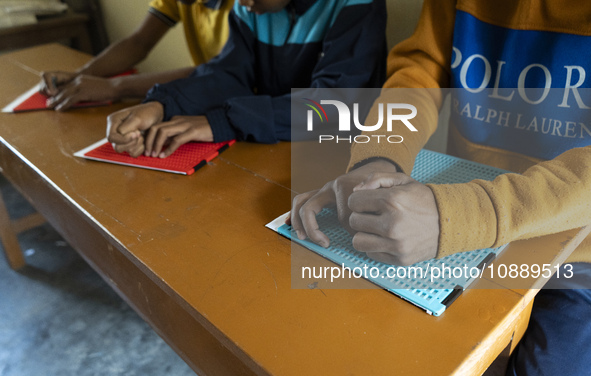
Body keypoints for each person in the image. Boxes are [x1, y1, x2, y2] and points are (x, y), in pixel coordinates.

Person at [289, 0, 591, 374]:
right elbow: (420, 71)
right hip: (450, 229)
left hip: (577, 253)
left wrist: (461, 215)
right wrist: (378, 158)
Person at [107, 0, 387, 158]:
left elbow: (333, 106)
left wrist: (225, 121)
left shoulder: (356, 5)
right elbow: (226, 73)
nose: (239, 2)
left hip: (339, 155)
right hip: (272, 145)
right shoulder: (253, 7)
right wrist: (161, 106)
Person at [40, 0, 234, 111]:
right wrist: (82, 75)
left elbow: (218, 73)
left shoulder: (247, 6)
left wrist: (115, 87)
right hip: (206, 96)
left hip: (239, 101)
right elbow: (139, 42)